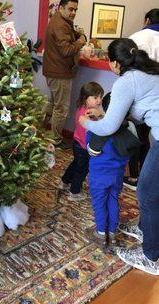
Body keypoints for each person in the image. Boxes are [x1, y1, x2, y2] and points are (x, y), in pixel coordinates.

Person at [79, 38, 159, 275]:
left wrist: (85, 122)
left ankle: (151, 256)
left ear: (114, 63)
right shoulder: (149, 69)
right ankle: (145, 228)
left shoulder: (127, 80)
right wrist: (106, 111)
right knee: (150, 189)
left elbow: (108, 128)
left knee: (146, 193)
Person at [86, 93, 140, 250]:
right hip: (117, 174)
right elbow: (132, 148)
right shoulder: (130, 127)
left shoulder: (99, 127)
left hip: (99, 175)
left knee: (99, 203)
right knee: (113, 200)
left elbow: (92, 151)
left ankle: (101, 234)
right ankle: (112, 233)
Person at [42, 0, 86, 149]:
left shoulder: (60, 21)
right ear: (61, 8)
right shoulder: (60, 25)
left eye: (75, 10)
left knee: (53, 103)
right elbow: (67, 50)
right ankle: (56, 140)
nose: (73, 12)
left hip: (54, 70)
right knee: (61, 107)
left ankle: (39, 130)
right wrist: (80, 42)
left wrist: (78, 36)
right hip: (60, 72)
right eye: (70, 9)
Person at [124, 9, 159, 190]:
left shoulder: (138, 37)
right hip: (156, 98)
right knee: (148, 136)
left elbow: (125, 61)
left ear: (147, 20)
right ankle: (146, 172)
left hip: (139, 95)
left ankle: (134, 175)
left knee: (134, 134)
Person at [59, 81, 104, 201]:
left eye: (100, 97)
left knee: (76, 164)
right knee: (82, 169)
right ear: (85, 98)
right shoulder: (89, 114)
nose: (99, 100)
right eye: (95, 97)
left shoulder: (82, 107)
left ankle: (64, 181)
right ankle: (74, 192)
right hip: (84, 146)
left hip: (76, 142)